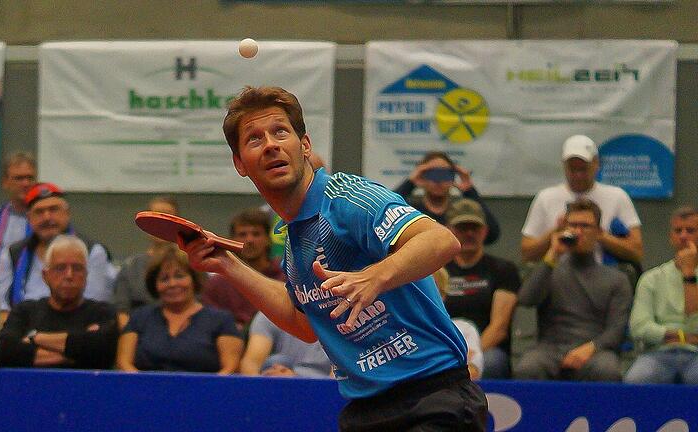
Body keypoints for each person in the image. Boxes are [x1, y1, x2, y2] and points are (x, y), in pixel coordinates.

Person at [179, 86, 487, 431]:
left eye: (281, 131)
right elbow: (306, 324)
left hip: (433, 397)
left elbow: (441, 240)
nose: (271, 144)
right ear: (240, 164)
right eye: (254, 139)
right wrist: (226, 264)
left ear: (305, 146)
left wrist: (374, 277)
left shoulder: (347, 198)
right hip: (366, 409)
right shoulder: (294, 241)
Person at [514, 199, 632, 382]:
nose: (578, 231)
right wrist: (552, 256)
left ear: (599, 232)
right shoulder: (549, 269)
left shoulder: (617, 279)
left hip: (594, 349)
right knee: (528, 368)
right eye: (573, 225)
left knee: (607, 370)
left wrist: (591, 348)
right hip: (550, 348)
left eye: (585, 226)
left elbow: (616, 330)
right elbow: (526, 299)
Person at [0, 235, 118, 369]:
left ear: (86, 275)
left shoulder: (102, 312)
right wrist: (79, 352)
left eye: (77, 268)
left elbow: (103, 351)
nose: (69, 275)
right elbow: (4, 351)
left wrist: (35, 337)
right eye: (60, 268)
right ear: (45, 276)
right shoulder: (25, 311)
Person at [0, 182, 115, 316]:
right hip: (24, 325)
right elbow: (2, 307)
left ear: (67, 214)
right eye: (39, 212)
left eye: (53, 210)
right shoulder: (12, 254)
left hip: (76, 325)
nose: (47, 217)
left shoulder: (92, 251)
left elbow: (95, 306)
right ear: (29, 219)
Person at [116, 245, 243, 373]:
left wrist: (207, 389)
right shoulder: (139, 317)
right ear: (155, 284)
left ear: (194, 279)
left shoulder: (221, 320)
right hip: (145, 390)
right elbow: (123, 363)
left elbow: (231, 367)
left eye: (179, 276)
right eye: (164, 279)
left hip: (205, 390)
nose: (172, 284)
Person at [521, 135, 643, 265]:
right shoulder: (545, 198)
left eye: (583, 169)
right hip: (556, 278)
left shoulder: (618, 196)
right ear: (564, 167)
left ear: (596, 164)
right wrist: (556, 231)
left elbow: (637, 252)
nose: (578, 175)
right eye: (572, 169)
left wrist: (599, 235)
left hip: (604, 277)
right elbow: (526, 253)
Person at [444, 198, 521, 379]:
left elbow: (499, 327)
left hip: (487, 349)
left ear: (485, 231)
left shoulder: (503, 269)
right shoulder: (436, 271)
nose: (469, 233)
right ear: (448, 230)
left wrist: (472, 354)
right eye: (462, 228)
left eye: (475, 227)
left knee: (492, 362)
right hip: (445, 348)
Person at [625, 206, 698, 384]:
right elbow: (639, 327)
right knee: (636, 379)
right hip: (658, 353)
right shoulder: (651, 278)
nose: (683, 236)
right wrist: (682, 337)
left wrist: (689, 274)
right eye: (677, 231)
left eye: (690, 230)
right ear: (671, 237)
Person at [201, 208, 285, 330]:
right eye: (242, 234)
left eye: (256, 234)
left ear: (268, 239)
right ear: (232, 240)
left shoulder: (285, 276)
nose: (249, 240)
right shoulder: (217, 284)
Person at [394, 151, 500, 245]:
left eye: (444, 174)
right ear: (422, 176)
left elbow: (492, 234)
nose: (438, 181)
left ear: (452, 177)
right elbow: (383, 220)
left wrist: (469, 191)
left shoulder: (462, 212)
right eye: (432, 174)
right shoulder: (411, 212)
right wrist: (410, 183)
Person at [113, 196, 179, 327]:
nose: (161, 225)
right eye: (155, 219)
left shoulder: (193, 265)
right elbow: (122, 312)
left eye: (167, 218)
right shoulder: (130, 267)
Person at [240, 311, 332, 378]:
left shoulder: (339, 314)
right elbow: (252, 362)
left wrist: (298, 382)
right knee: (276, 360)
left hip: (322, 384)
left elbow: (341, 372)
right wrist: (259, 388)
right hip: (278, 380)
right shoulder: (268, 313)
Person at [432, 268, 485, 380]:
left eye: (432, 289)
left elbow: (473, 372)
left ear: (443, 295)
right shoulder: (401, 332)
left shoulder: (465, 329)